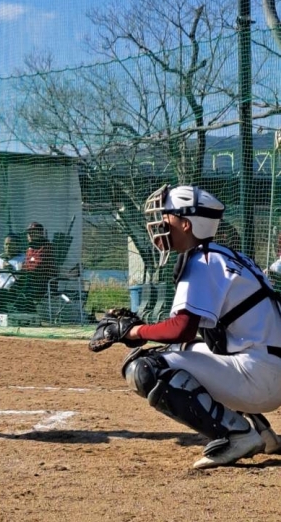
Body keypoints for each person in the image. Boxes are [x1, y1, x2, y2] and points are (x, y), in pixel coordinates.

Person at [100, 184, 281, 469]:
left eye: (166, 216)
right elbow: (193, 335)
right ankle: (261, 432)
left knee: (145, 368)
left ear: (186, 224)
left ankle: (237, 434)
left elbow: (181, 327)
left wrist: (133, 332)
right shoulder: (228, 256)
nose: (159, 223)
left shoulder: (202, 261)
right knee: (183, 349)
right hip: (266, 369)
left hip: (259, 378)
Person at [18, 222, 58, 311]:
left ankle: (29, 309)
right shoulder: (29, 249)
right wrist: (23, 268)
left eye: (33, 232)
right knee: (15, 284)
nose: (30, 235)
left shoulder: (46, 247)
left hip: (43, 282)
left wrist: (26, 268)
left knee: (27, 284)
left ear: (40, 233)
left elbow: (38, 266)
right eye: (29, 233)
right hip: (30, 281)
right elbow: (25, 266)